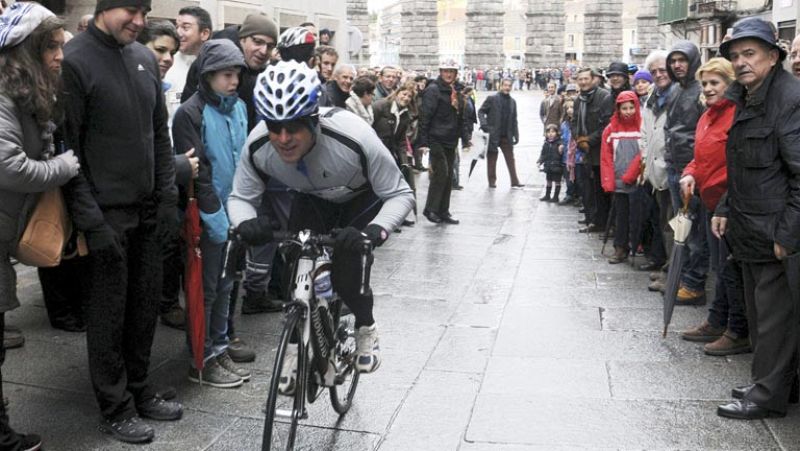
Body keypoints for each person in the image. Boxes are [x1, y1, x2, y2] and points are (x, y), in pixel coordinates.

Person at [229, 60, 414, 387]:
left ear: (314, 120)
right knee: (295, 265)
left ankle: (366, 325)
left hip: (360, 198)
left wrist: (375, 231)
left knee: (346, 272)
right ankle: (299, 338)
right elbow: (240, 198)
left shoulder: (355, 137)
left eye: (294, 126)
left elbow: (400, 193)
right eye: (274, 126)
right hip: (311, 198)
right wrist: (246, 223)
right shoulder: (258, 144)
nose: (283, 138)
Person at [61, 0, 182, 443]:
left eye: (143, 11)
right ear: (102, 7)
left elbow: (159, 134)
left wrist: (167, 195)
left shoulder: (144, 58)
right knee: (108, 316)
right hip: (105, 215)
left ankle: (139, 388)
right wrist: (91, 222)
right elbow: (67, 151)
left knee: (144, 307)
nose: (138, 21)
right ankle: (114, 407)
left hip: (150, 210)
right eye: (128, 10)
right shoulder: (74, 61)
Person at [0, 4, 83, 449]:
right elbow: (8, 167)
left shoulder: (20, 90)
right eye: (50, 46)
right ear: (26, 50)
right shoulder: (1, 93)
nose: (59, 55)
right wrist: (61, 167)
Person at [714, 17, 800, 420]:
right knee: (760, 313)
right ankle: (770, 381)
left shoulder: (788, 100)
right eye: (735, 56)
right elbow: (746, 165)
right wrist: (726, 208)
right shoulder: (748, 97)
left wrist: (788, 233)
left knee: (773, 320)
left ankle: (767, 395)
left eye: (750, 54)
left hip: (774, 231)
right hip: (749, 226)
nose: (741, 62)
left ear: (772, 55)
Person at [172, 39, 252, 388]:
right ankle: (200, 358)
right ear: (207, 75)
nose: (233, 81)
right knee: (205, 290)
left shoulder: (239, 107)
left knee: (227, 285)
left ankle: (219, 347)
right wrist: (215, 217)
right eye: (226, 75)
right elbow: (198, 170)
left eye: (236, 74)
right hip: (209, 216)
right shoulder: (189, 113)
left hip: (236, 212)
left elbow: (245, 159)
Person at [678, 57, 749, 356]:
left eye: (714, 83)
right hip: (709, 201)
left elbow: (737, 163)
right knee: (720, 268)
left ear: (729, 84)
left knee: (729, 270)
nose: (707, 88)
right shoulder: (707, 115)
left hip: (729, 204)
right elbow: (701, 155)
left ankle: (737, 330)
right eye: (705, 83)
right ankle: (717, 320)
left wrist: (724, 204)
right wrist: (690, 173)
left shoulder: (735, 115)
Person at [665, 40, 709, 305]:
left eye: (682, 60)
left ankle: (694, 284)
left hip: (691, 170)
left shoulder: (701, 90)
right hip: (674, 165)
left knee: (694, 231)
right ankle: (682, 277)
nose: (677, 65)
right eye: (673, 60)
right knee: (681, 226)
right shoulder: (674, 90)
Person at [182, 12, 278, 131]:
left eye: (270, 46)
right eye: (257, 42)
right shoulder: (211, 60)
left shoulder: (263, 74)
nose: (263, 51)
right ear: (242, 39)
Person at [418, 60, 470, 224]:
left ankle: (443, 211)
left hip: (450, 138)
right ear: (440, 72)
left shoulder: (456, 90)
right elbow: (425, 117)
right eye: (446, 71)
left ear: (456, 74)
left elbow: (460, 117)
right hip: (436, 138)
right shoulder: (433, 90)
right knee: (442, 173)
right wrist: (424, 141)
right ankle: (430, 209)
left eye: (452, 71)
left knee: (448, 177)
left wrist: (465, 139)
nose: (449, 74)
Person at [600, 91, 644, 264]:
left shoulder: (642, 127)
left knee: (638, 215)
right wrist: (608, 181)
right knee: (621, 216)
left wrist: (633, 173)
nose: (628, 111)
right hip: (619, 182)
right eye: (624, 108)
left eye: (631, 107)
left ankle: (637, 243)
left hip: (638, 181)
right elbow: (606, 157)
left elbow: (645, 152)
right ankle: (620, 247)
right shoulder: (611, 129)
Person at [641, 50, 673, 280]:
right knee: (666, 224)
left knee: (676, 227)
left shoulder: (680, 95)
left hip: (674, 171)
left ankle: (677, 275)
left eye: (663, 69)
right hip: (656, 173)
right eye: (654, 71)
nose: (659, 74)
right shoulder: (652, 98)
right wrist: (646, 161)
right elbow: (645, 133)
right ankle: (670, 270)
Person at [372, 81, 418, 225]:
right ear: (397, 93)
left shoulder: (405, 115)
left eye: (409, 97)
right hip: (375, 150)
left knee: (394, 186)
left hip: (390, 153)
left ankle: (395, 217)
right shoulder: (380, 106)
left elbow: (401, 141)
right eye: (404, 94)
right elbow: (368, 124)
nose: (406, 98)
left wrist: (404, 161)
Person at [572, 67, 612, 233]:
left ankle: (604, 222)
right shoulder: (578, 100)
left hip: (601, 151)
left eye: (586, 79)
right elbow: (574, 122)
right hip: (585, 152)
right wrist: (579, 139)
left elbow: (606, 125)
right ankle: (594, 220)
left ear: (593, 79)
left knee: (602, 190)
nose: (583, 82)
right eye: (580, 79)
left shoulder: (604, 96)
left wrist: (589, 140)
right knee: (589, 189)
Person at [164, 6, 211, 122]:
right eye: (177, 27)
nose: (178, 33)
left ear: (204, 33)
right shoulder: (167, 66)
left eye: (185, 27)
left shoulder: (217, 67)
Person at [478, 78, 522, 189]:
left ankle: (515, 181)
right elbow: (481, 111)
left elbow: (514, 119)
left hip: (506, 135)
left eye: (509, 86)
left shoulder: (513, 102)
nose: (507, 88)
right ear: (501, 86)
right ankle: (492, 181)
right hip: (493, 134)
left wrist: (516, 134)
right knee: (492, 159)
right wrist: (484, 125)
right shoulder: (492, 99)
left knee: (510, 159)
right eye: (505, 85)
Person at [537, 124, 564, 202]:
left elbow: (562, 151)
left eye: (553, 132)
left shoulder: (559, 143)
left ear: (557, 133)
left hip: (557, 166)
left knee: (557, 182)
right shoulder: (546, 143)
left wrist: (561, 148)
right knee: (548, 180)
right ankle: (547, 195)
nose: (550, 134)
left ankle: (556, 197)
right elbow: (543, 154)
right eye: (548, 132)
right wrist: (540, 161)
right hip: (548, 166)